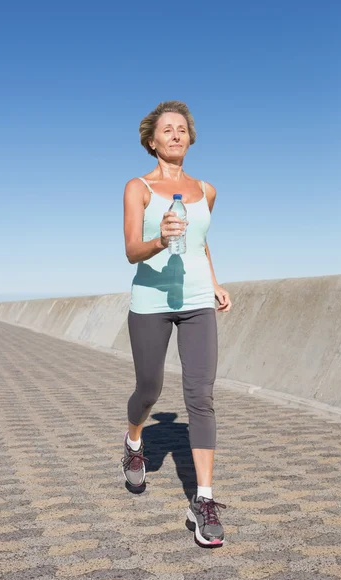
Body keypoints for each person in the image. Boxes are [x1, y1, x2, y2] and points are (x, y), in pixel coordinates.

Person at [121, 100, 232, 547]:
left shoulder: (206, 191)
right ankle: (133, 442)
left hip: (198, 301)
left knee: (200, 396)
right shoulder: (139, 187)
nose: (175, 134)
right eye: (167, 129)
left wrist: (217, 283)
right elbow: (131, 250)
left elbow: (201, 244)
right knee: (149, 389)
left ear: (190, 138)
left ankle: (203, 500)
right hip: (150, 302)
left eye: (182, 129)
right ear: (152, 141)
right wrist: (159, 239)